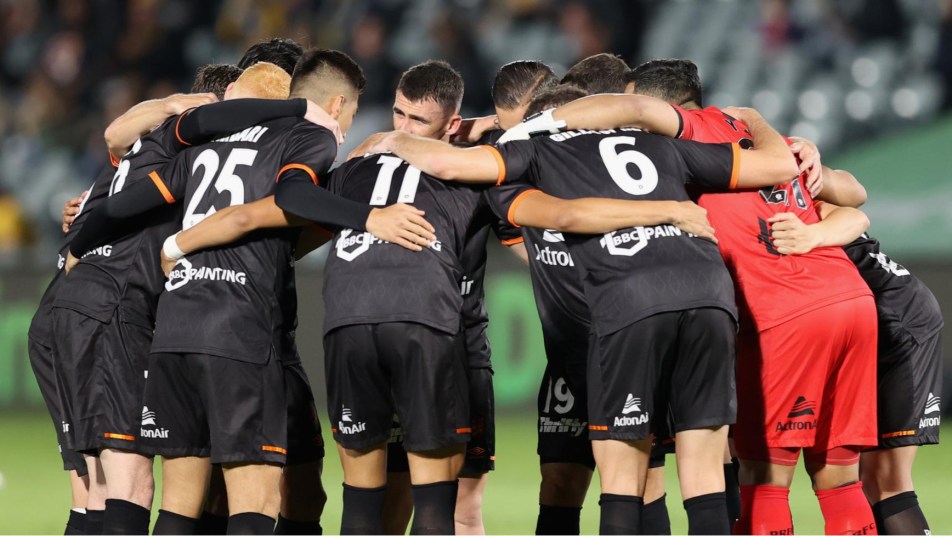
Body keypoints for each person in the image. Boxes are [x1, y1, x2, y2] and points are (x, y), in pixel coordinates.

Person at [350, 100, 799, 534]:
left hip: (628, 306)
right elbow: (780, 165)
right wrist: (754, 118)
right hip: (709, 293)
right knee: (704, 471)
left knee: (624, 478)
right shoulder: (660, 144)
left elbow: (468, 173)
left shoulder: (537, 149)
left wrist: (391, 139)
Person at [516, 58, 879, 535]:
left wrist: (530, 128)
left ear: (663, 110)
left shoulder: (675, 152)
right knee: (839, 479)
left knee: (763, 478)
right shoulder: (759, 145)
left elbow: (632, 121)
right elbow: (855, 200)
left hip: (780, 313)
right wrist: (764, 130)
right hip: (851, 301)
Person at [64, 49, 420, 535]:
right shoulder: (306, 136)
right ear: (337, 105)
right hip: (241, 329)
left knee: (179, 503)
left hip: (174, 330)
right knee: (257, 502)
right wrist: (369, 216)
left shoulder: (204, 149)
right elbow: (289, 197)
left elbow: (119, 205)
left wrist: (78, 244)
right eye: (352, 113)